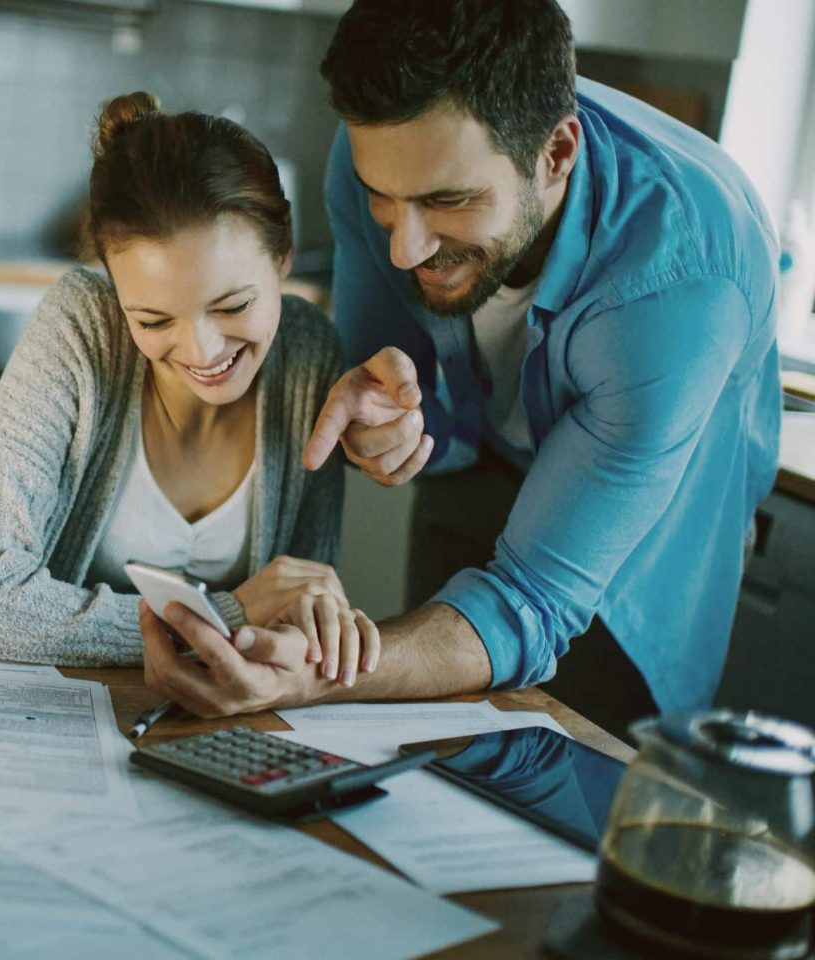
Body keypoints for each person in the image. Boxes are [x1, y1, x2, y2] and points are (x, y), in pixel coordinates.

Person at [141, 0, 781, 736]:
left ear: (557, 155)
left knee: (571, 789)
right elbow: (410, 402)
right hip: (482, 472)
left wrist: (313, 678)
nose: (405, 251)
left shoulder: (678, 288)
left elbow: (532, 604)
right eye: (385, 200)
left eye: (449, 201)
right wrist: (398, 429)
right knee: (436, 747)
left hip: (640, 550)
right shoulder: (376, 164)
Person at [0, 93, 379, 681]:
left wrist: (315, 635)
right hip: (49, 718)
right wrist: (225, 617)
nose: (203, 352)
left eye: (234, 305)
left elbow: (298, 618)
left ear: (284, 254)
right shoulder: (82, 325)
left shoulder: (309, 353)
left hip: (212, 730)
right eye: (154, 321)